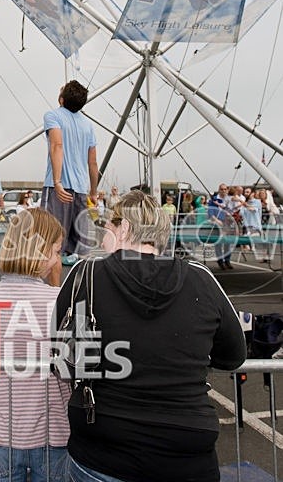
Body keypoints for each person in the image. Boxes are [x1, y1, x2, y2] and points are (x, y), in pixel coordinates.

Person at [54, 189, 247, 482]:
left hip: (103, 446)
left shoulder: (87, 276)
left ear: (124, 229)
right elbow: (233, 356)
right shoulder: (201, 279)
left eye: (107, 227)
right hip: (187, 448)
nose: (103, 235)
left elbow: (66, 359)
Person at [0, 208, 70, 482]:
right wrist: (56, 283)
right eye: (57, 251)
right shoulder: (60, 300)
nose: (59, 258)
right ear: (44, 252)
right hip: (53, 434)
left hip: (3, 433)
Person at [41, 80, 98, 255]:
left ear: (61, 99)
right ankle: (85, 282)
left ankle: (53, 284)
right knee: (83, 248)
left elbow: (57, 146)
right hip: (80, 191)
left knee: (51, 246)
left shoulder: (53, 116)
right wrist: (94, 193)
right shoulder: (88, 125)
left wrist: (57, 181)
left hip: (58, 190)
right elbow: (93, 163)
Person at [208, 183, 236, 270]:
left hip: (227, 223)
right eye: (222, 189)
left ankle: (227, 260)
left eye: (225, 189)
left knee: (228, 242)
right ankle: (220, 260)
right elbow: (210, 212)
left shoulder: (230, 199)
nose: (223, 191)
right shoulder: (213, 199)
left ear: (227, 190)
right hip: (217, 222)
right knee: (219, 243)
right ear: (219, 190)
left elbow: (233, 210)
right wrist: (216, 220)